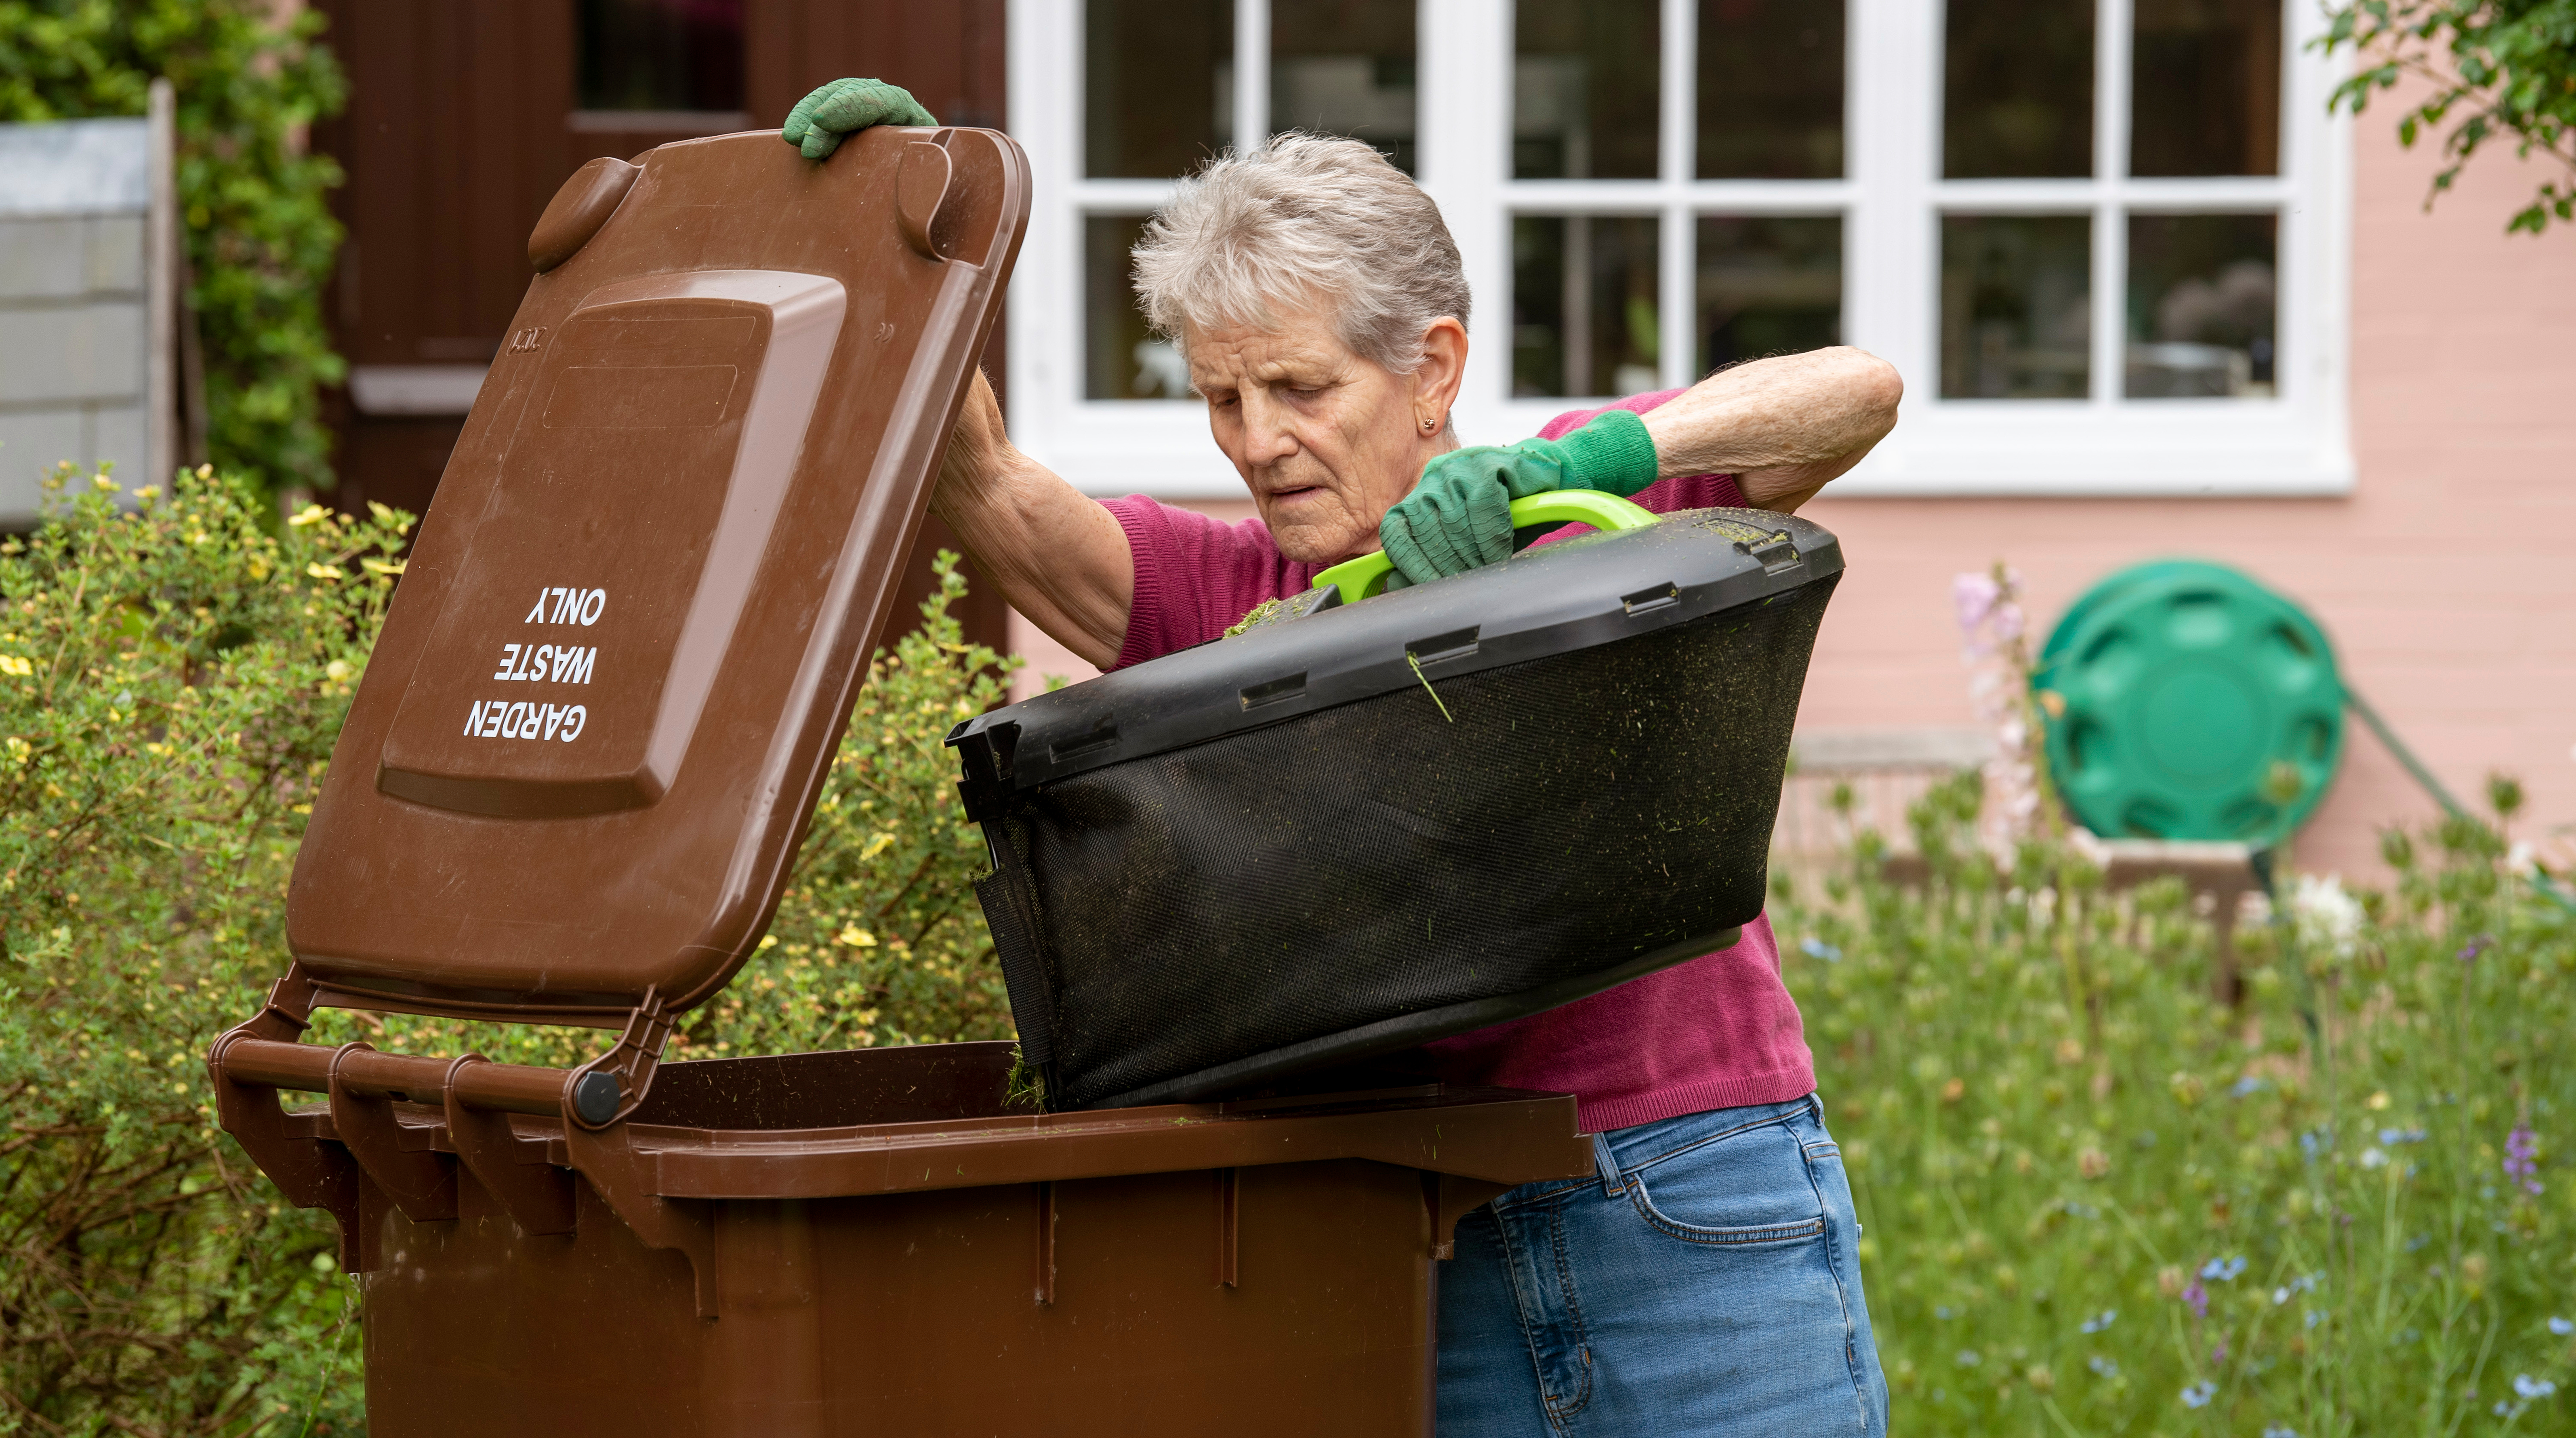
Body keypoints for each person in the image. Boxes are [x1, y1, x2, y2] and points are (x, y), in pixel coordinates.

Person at [787, 79, 1903, 1436]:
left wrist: (1613, 449)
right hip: (1405, 1231)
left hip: (1684, 1197)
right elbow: (982, 480)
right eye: (1222, 397)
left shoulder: (1575, 516)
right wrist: (910, 226)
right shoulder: (1224, 607)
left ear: (1430, 369)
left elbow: (1853, 395)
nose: (1257, 441)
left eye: (1299, 388)